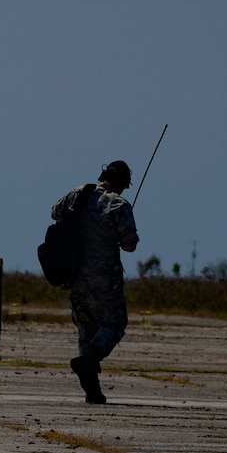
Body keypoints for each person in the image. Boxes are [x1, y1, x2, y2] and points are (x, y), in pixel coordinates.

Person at [49, 159, 140, 403]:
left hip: (74, 275)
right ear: (123, 183)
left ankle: (92, 391)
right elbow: (129, 245)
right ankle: (90, 360)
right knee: (114, 323)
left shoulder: (78, 193)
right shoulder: (119, 205)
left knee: (86, 328)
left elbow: (54, 212)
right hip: (104, 278)